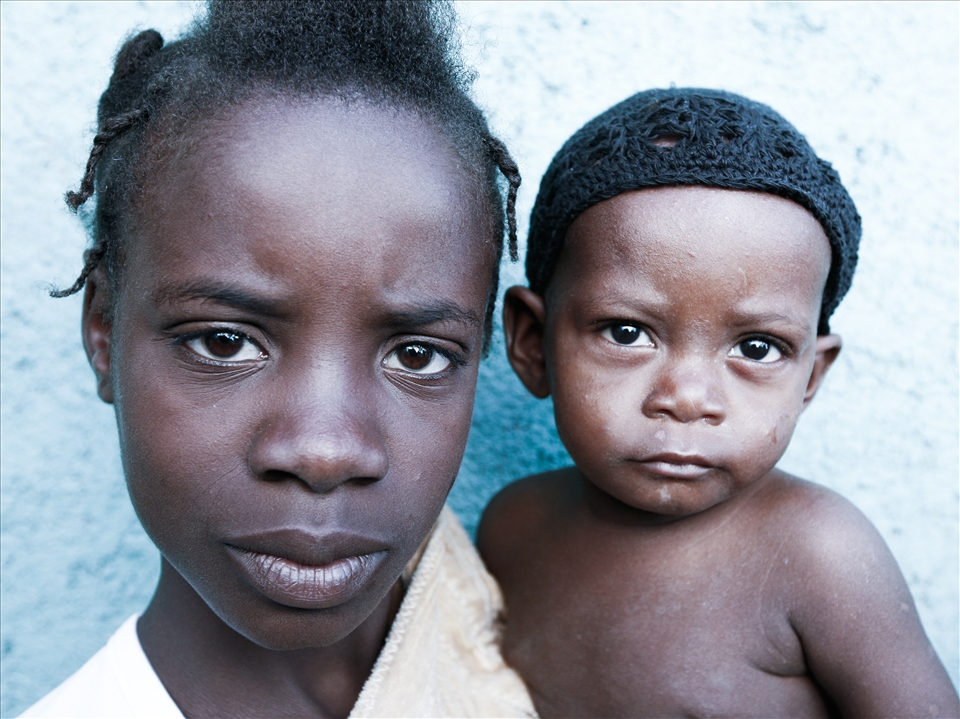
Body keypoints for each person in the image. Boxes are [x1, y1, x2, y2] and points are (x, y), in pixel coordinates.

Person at [22, 1, 536, 717]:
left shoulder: (565, 669)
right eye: (224, 341)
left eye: (417, 354)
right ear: (104, 329)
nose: (324, 451)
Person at [479, 88, 959, 718]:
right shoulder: (514, 527)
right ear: (533, 343)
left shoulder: (821, 557)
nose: (687, 399)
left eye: (757, 348)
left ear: (811, 375)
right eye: (627, 333)